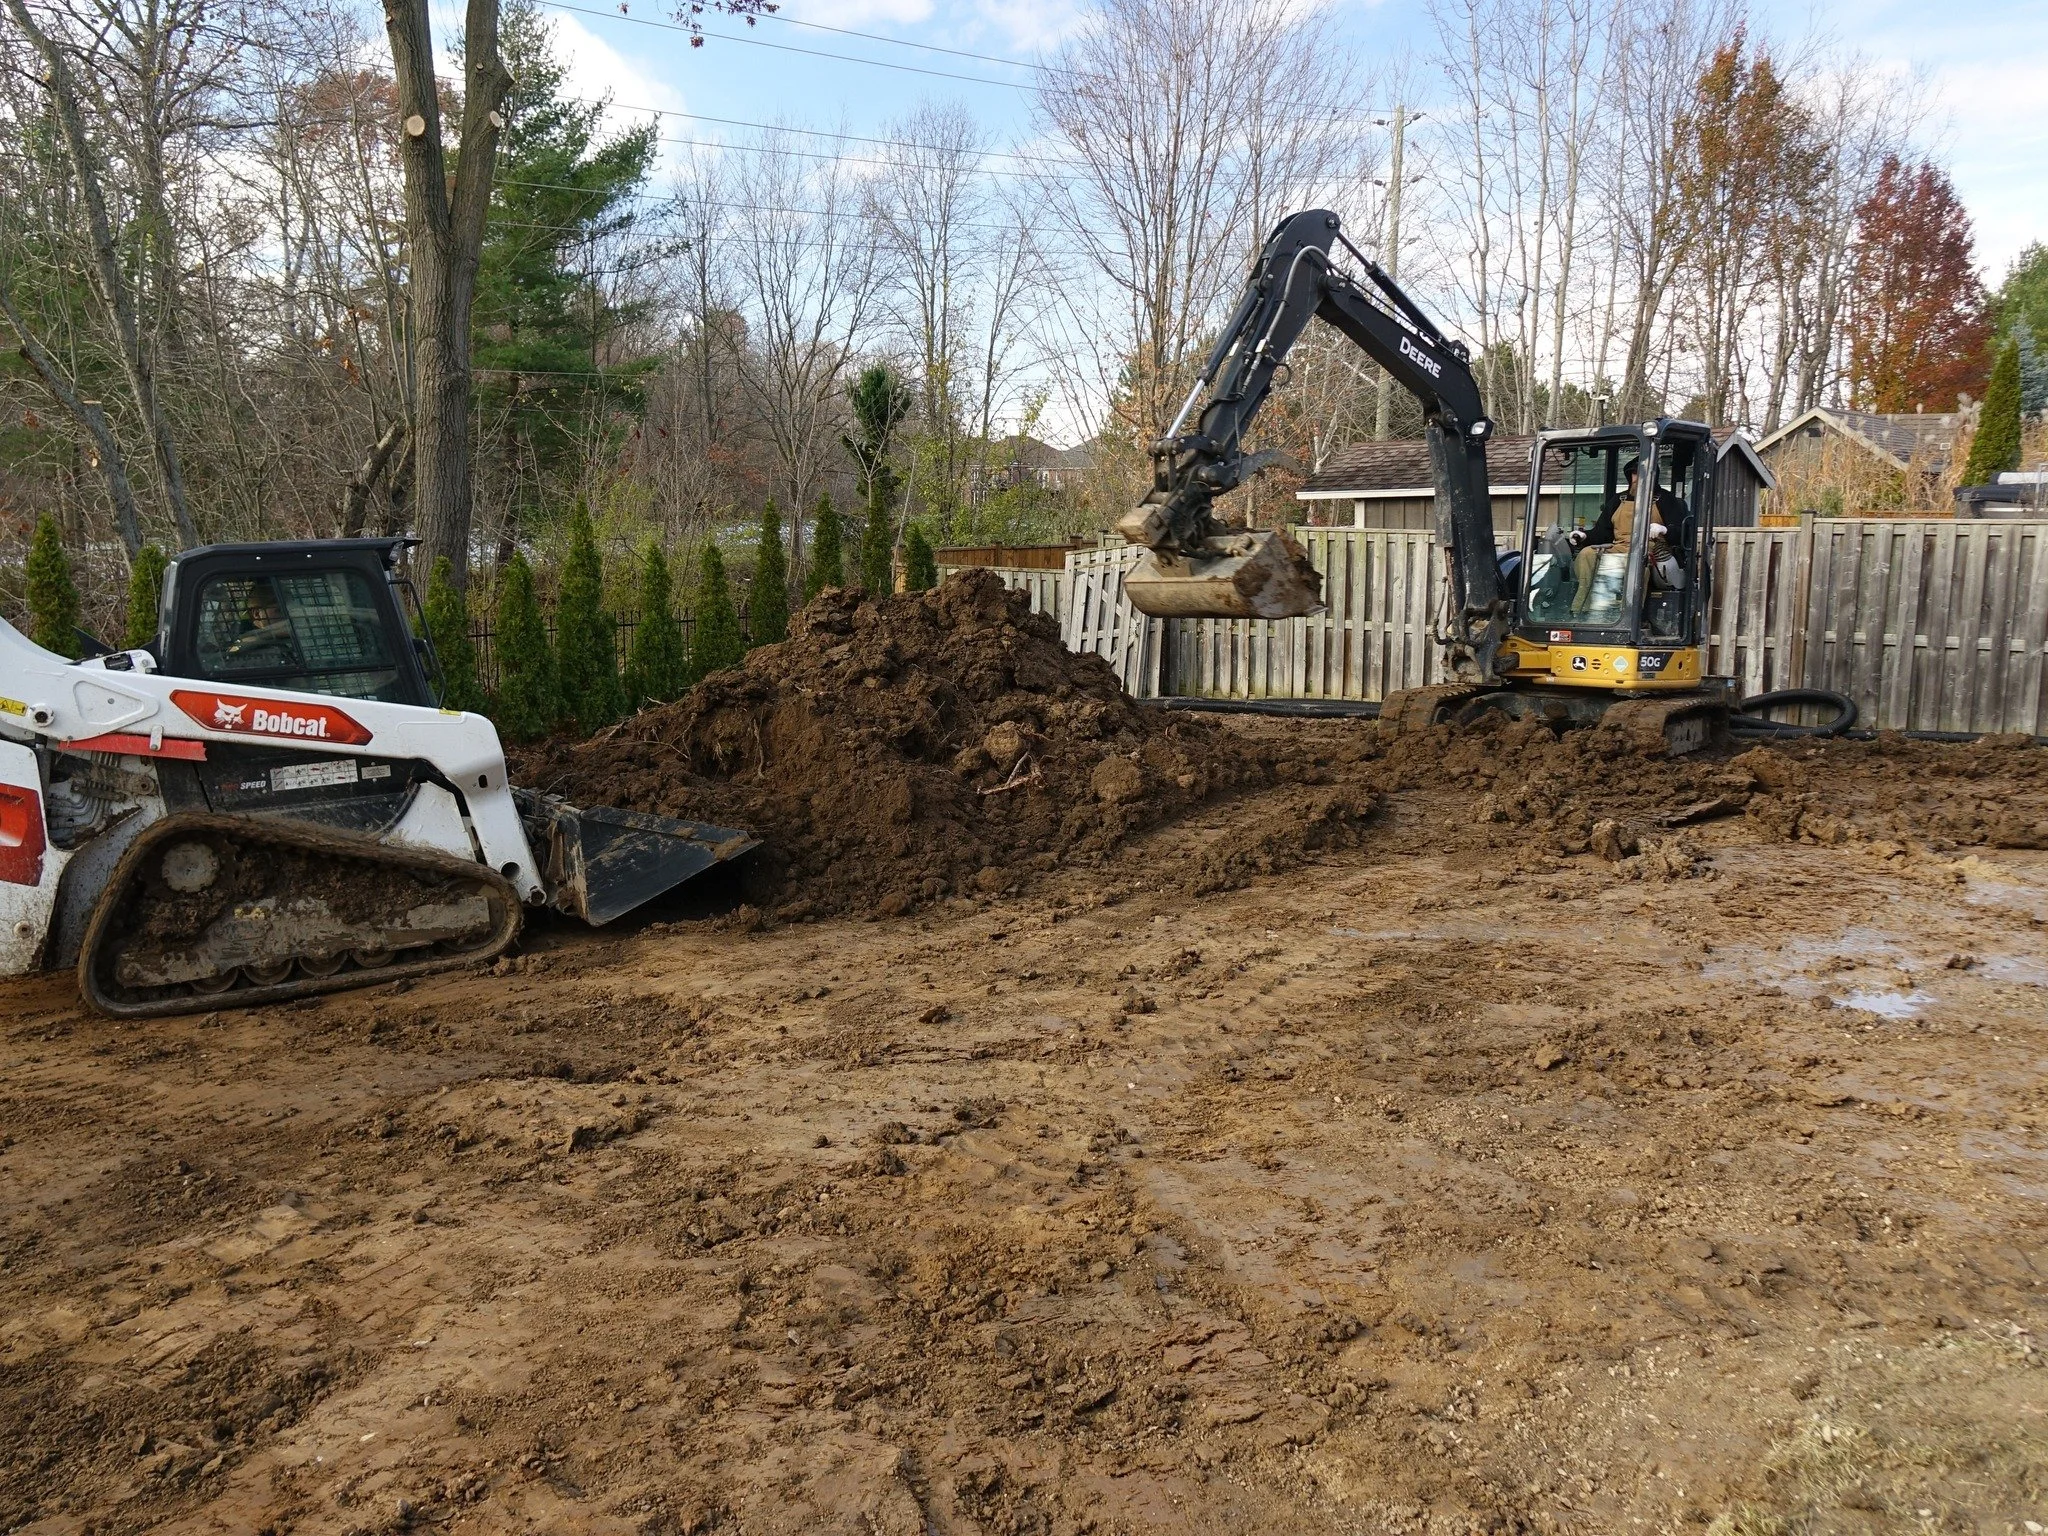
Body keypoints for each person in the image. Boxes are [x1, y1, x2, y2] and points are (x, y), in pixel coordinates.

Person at [1567, 458, 1687, 617]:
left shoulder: (1666, 499)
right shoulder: (1618, 499)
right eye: (1635, 474)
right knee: (1587, 554)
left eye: (1643, 473)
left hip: (1650, 551)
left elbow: (1682, 532)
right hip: (1619, 547)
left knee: (1636, 561)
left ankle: (1630, 616)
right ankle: (1583, 609)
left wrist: (1665, 530)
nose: (1638, 478)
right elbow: (1602, 532)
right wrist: (1584, 536)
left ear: (1653, 476)